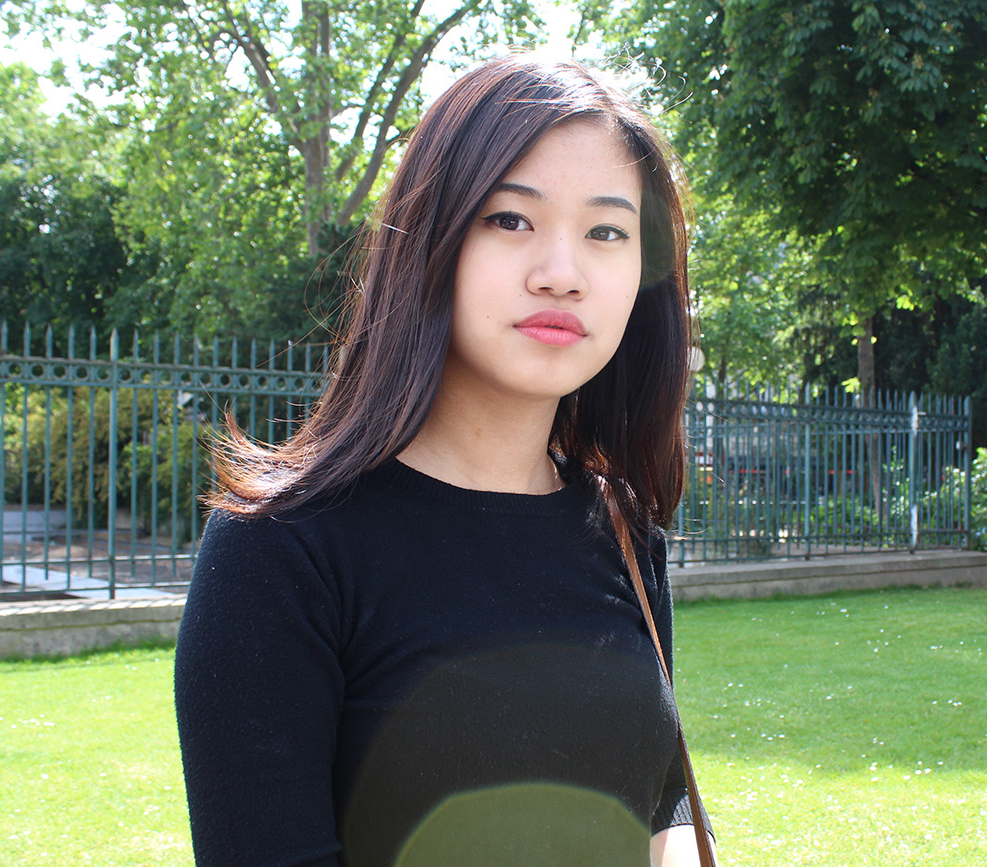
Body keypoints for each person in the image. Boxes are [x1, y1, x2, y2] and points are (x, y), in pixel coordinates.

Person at [174, 56, 714, 867]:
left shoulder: (625, 534)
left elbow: (658, 820)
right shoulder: (281, 551)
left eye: (606, 231)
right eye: (510, 219)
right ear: (431, 235)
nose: (561, 273)